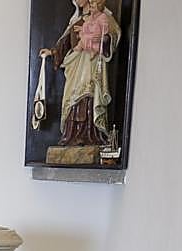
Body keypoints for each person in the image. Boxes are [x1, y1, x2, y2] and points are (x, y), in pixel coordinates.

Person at [40, 0, 122, 146]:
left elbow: (113, 33)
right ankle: (71, 135)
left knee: (88, 94)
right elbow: (64, 43)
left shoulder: (104, 16)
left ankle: (91, 136)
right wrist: (52, 52)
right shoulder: (76, 20)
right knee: (72, 96)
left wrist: (105, 39)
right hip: (76, 64)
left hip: (91, 63)